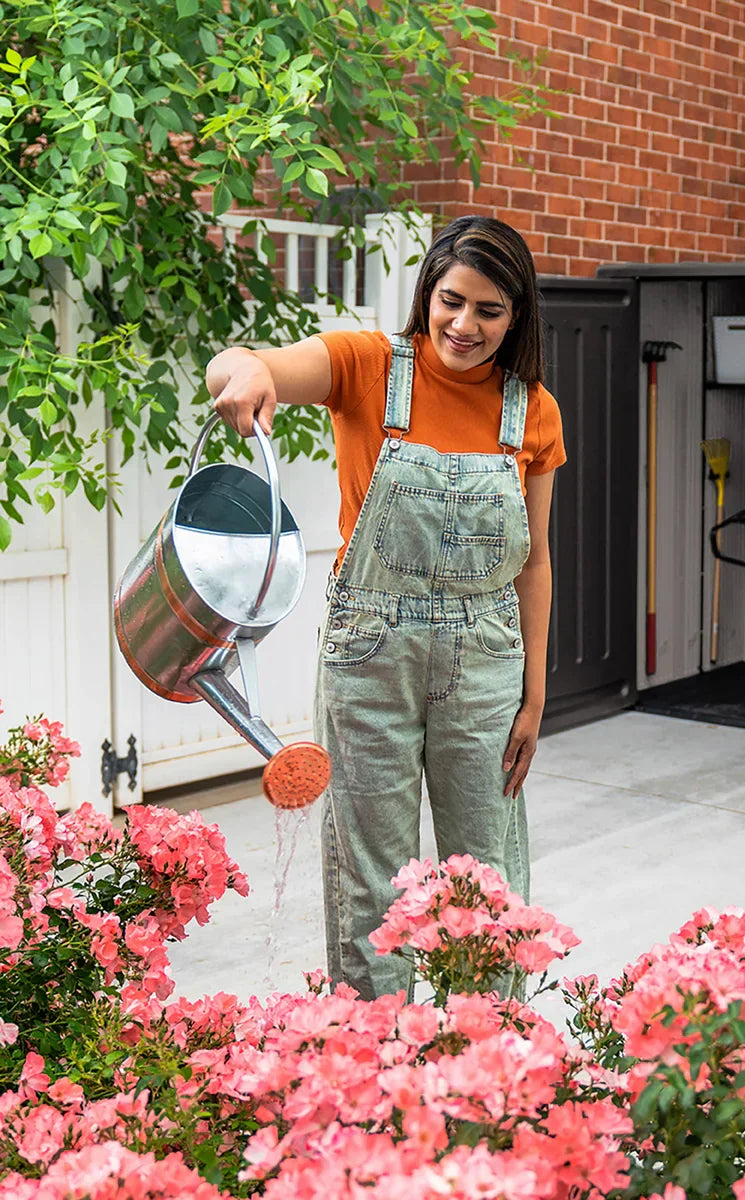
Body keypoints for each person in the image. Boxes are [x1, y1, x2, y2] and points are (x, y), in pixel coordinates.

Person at [206, 215, 566, 1000]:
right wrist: (239, 375)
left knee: (488, 873)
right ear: (427, 292)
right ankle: (374, 1075)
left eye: (489, 311)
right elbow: (251, 363)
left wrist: (536, 691)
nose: (464, 325)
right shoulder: (367, 366)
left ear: (518, 318)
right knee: (372, 876)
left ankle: (494, 1072)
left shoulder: (532, 411)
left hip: (488, 660)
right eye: (451, 300)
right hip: (369, 658)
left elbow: (534, 562)